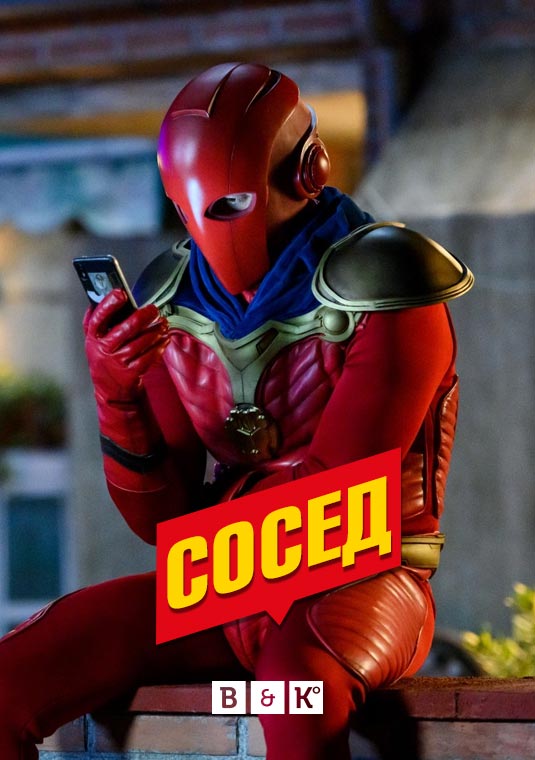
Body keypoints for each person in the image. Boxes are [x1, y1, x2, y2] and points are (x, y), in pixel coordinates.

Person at [0, 62, 473, 759]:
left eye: (231, 202)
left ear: (306, 170)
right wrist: (117, 391)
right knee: (14, 676)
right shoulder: (172, 297)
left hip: (362, 577)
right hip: (221, 582)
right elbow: (161, 521)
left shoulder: (387, 281)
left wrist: (204, 570)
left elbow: (336, 502)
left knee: (296, 692)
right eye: (190, 205)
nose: (213, 227)